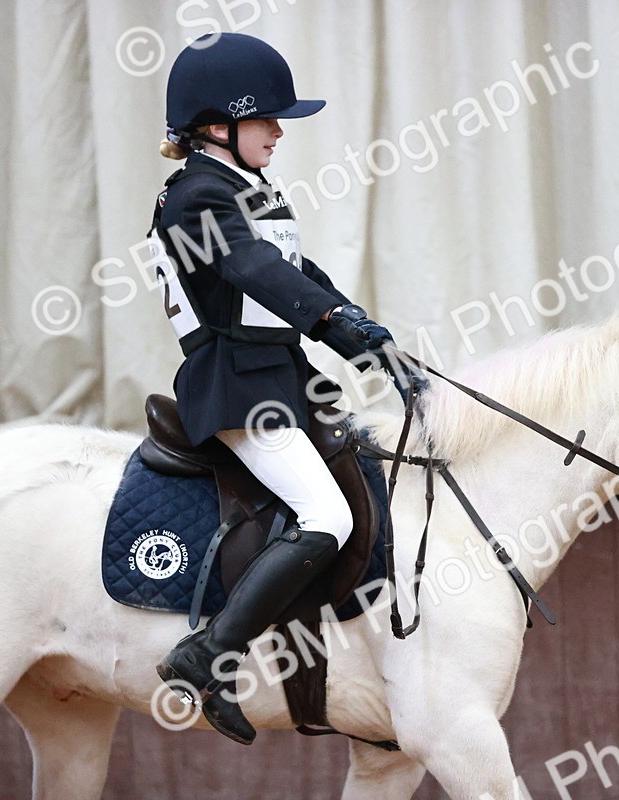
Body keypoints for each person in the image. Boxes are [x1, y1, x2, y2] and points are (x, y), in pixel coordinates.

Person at [149, 32, 392, 745]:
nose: (280, 132)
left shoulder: (241, 189)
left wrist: (361, 332)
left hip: (280, 377)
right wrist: (332, 320)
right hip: (236, 386)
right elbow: (253, 267)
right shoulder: (196, 197)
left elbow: (299, 271)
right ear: (217, 124)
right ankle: (206, 654)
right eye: (267, 120)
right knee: (328, 516)